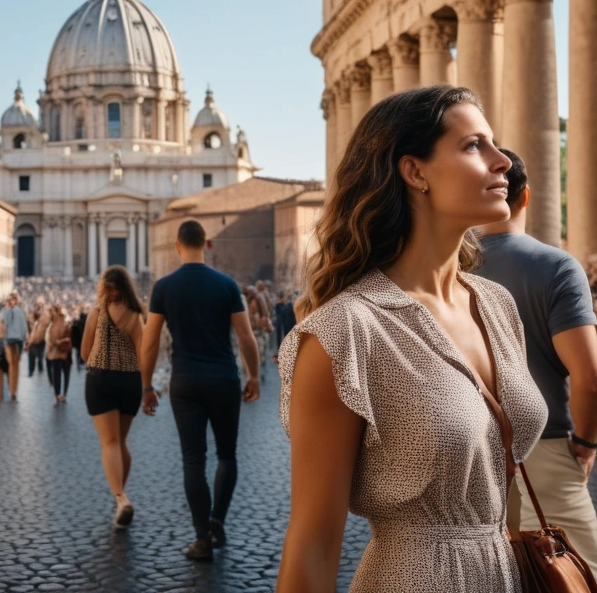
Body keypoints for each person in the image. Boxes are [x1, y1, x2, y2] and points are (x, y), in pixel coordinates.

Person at [276, 86, 547, 591]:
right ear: (415, 172)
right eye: (473, 145)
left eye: (494, 143)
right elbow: (312, 542)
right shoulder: (345, 333)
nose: (503, 161)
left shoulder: (496, 305)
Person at [476, 149, 597, 592]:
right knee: (584, 579)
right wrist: (586, 444)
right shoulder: (555, 266)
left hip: (466, 451)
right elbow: (593, 382)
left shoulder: (443, 270)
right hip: (545, 446)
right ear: (527, 197)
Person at [141, 220, 261, 561]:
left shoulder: (164, 287)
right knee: (227, 454)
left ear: (178, 246)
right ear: (206, 244)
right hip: (223, 378)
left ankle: (201, 538)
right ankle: (217, 520)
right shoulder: (227, 285)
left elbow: (150, 342)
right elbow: (246, 337)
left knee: (193, 460)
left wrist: (147, 385)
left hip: (185, 381)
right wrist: (253, 376)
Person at [81, 266, 145, 530]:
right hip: (130, 380)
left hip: (101, 378)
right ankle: (121, 496)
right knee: (121, 442)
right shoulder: (136, 315)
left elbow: (85, 352)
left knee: (110, 442)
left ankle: (120, 498)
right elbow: (143, 354)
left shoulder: (96, 314)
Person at [0, 291, 28, 401]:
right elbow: (24, 327)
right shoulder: (19, 311)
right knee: (15, 366)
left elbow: (1, 323)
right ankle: (13, 390)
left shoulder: (5, 312)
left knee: (11, 365)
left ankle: (11, 390)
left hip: (8, 340)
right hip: (17, 340)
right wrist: (24, 339)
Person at [46, 304, 73, 404]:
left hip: (57, 351)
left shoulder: (54, 324)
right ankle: (63, 394)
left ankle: (58, 394)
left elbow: (52, 339)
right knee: (64, 373)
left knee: (58, 373)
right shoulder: (63, 322)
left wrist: (58, 342)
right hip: (63, 351)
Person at [26, 305, 48, 378]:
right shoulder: (30, 320)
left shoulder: (43, 320)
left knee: (40, 356)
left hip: (41, 339)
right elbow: (28, 330)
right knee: (31, 356)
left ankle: (40, 369)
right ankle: (31, 371)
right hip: (33, 340)